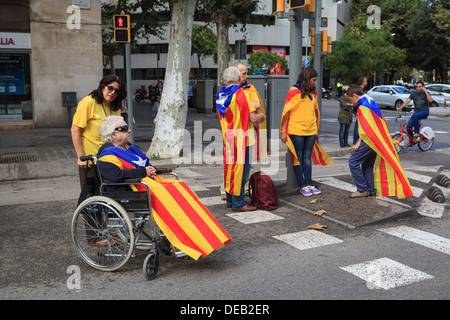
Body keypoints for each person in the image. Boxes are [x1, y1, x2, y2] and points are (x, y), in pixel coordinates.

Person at [97, 115, 232, 260]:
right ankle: (182, 240)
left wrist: (152, 169)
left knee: (180, 187)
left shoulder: (129, 148)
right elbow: (116, 175)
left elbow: (144, 165)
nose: (129, 130)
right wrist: (143, 172)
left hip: (145, 184)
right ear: (113, 134)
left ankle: (199, 236)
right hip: (130, 191)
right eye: (124, 128)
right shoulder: (108, 154)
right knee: (172, 199)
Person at [346, 85, 413, 199]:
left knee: (353, 162)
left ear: (355, 96)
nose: (352, 102)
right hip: (378, 139)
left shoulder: (363, 106)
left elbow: (365, 128)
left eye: (351, 100)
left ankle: (362, 189)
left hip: (370, 140)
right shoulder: (370, 100)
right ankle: (371, 190)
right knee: (367, 165)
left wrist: (359, 142)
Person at [216, 66, 265, 211]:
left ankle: (230, 200)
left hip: (228, 137)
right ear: (238, 78)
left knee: (230, 169)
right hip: (243, 138)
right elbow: (252, 117)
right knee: (242, 172)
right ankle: (239, 203)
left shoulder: (220, 94)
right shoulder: (240, 94)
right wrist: (261, 116)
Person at [280, 67, 333, 197]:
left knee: (307, 158)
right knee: (298, 158)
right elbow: (286, 114)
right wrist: (283, 131)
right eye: (313, 80)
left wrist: (316, 130)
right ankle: (302, 185)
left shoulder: (313, 93)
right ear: (306, 79)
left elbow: (315, 113)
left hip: (310, 131)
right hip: (296, 131)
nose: (315, 82)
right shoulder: (294, 92)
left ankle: (309, 184)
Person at [71, 74, 126, 188]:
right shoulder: (88, 102)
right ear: (102, 86)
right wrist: (81, 157)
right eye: (110, 88)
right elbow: (75, 129)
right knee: (92, 195)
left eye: (116, 91)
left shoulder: (114, 106)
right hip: (92, 161)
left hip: (111, 159)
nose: (112, 92)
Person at [397, 80, 432, 147]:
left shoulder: (426, 93)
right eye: (417, 87)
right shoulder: (414, 93)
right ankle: (412, 141)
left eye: (420, 87)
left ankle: (417, 132)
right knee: (408, 128)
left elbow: (430, 100)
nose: (418, 88)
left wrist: (425, 91)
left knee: (415, 116)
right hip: (416, 112)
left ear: (423, 87)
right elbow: (407, 101)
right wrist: (400, 107)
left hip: (424, 112)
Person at [353, 76, 368, 144]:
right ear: (362, 82)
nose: (367, 82)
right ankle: (356, 140)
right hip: (359, 110)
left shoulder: (363, 90)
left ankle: (359, 140)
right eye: (366, 81)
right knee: (358, 126)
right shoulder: (359, 90)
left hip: (362, 110)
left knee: (361, 125)